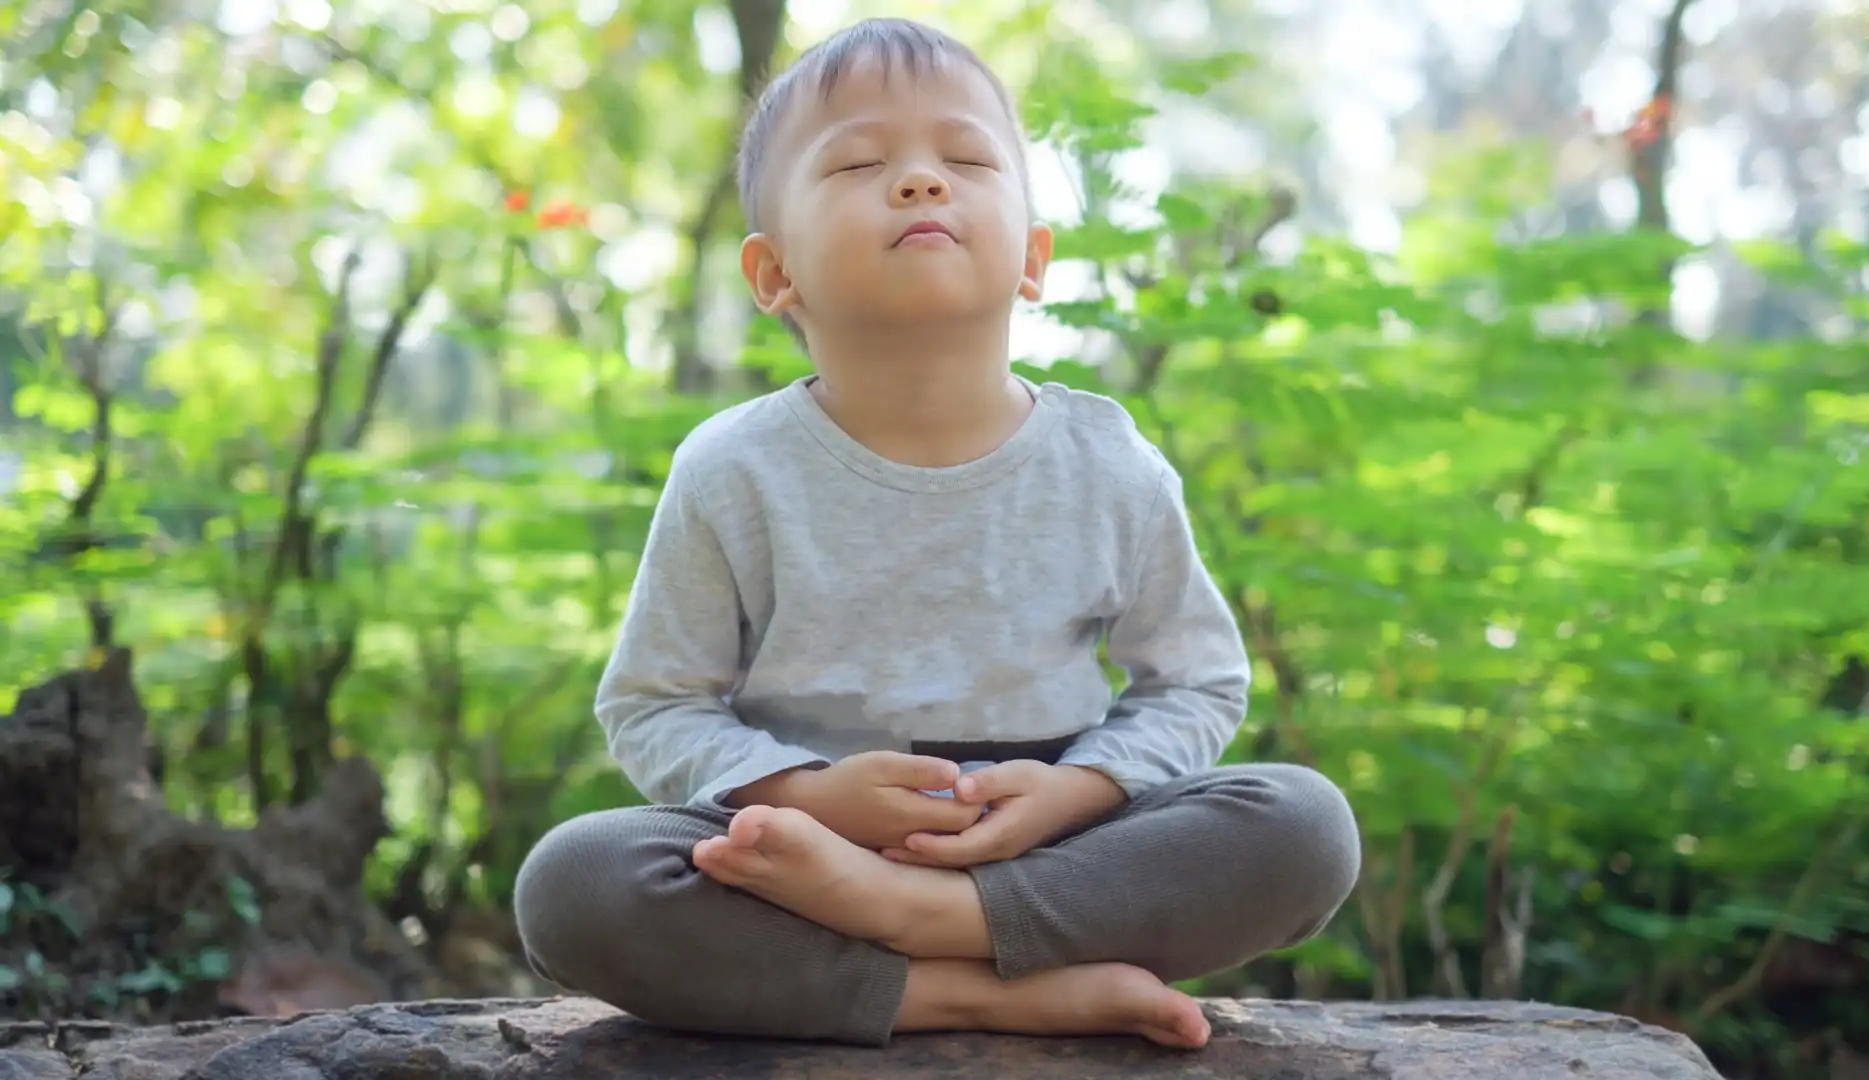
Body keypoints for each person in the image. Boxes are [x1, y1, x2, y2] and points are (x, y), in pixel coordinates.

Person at [512, 16, 1360, 1051]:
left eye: (964, 158)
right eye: (862, 162)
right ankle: (984, 992)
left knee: (1305, 825)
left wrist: (1076, 790)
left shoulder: (1106, 460)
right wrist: (807, 797)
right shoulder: (733, 469)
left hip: (1057, 850)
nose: (921, 182)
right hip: (805, 859)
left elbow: (1195, 684)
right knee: (575, 881)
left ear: (1034, 259)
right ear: (774, 274)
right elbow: (653, 705)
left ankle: (926, 931)